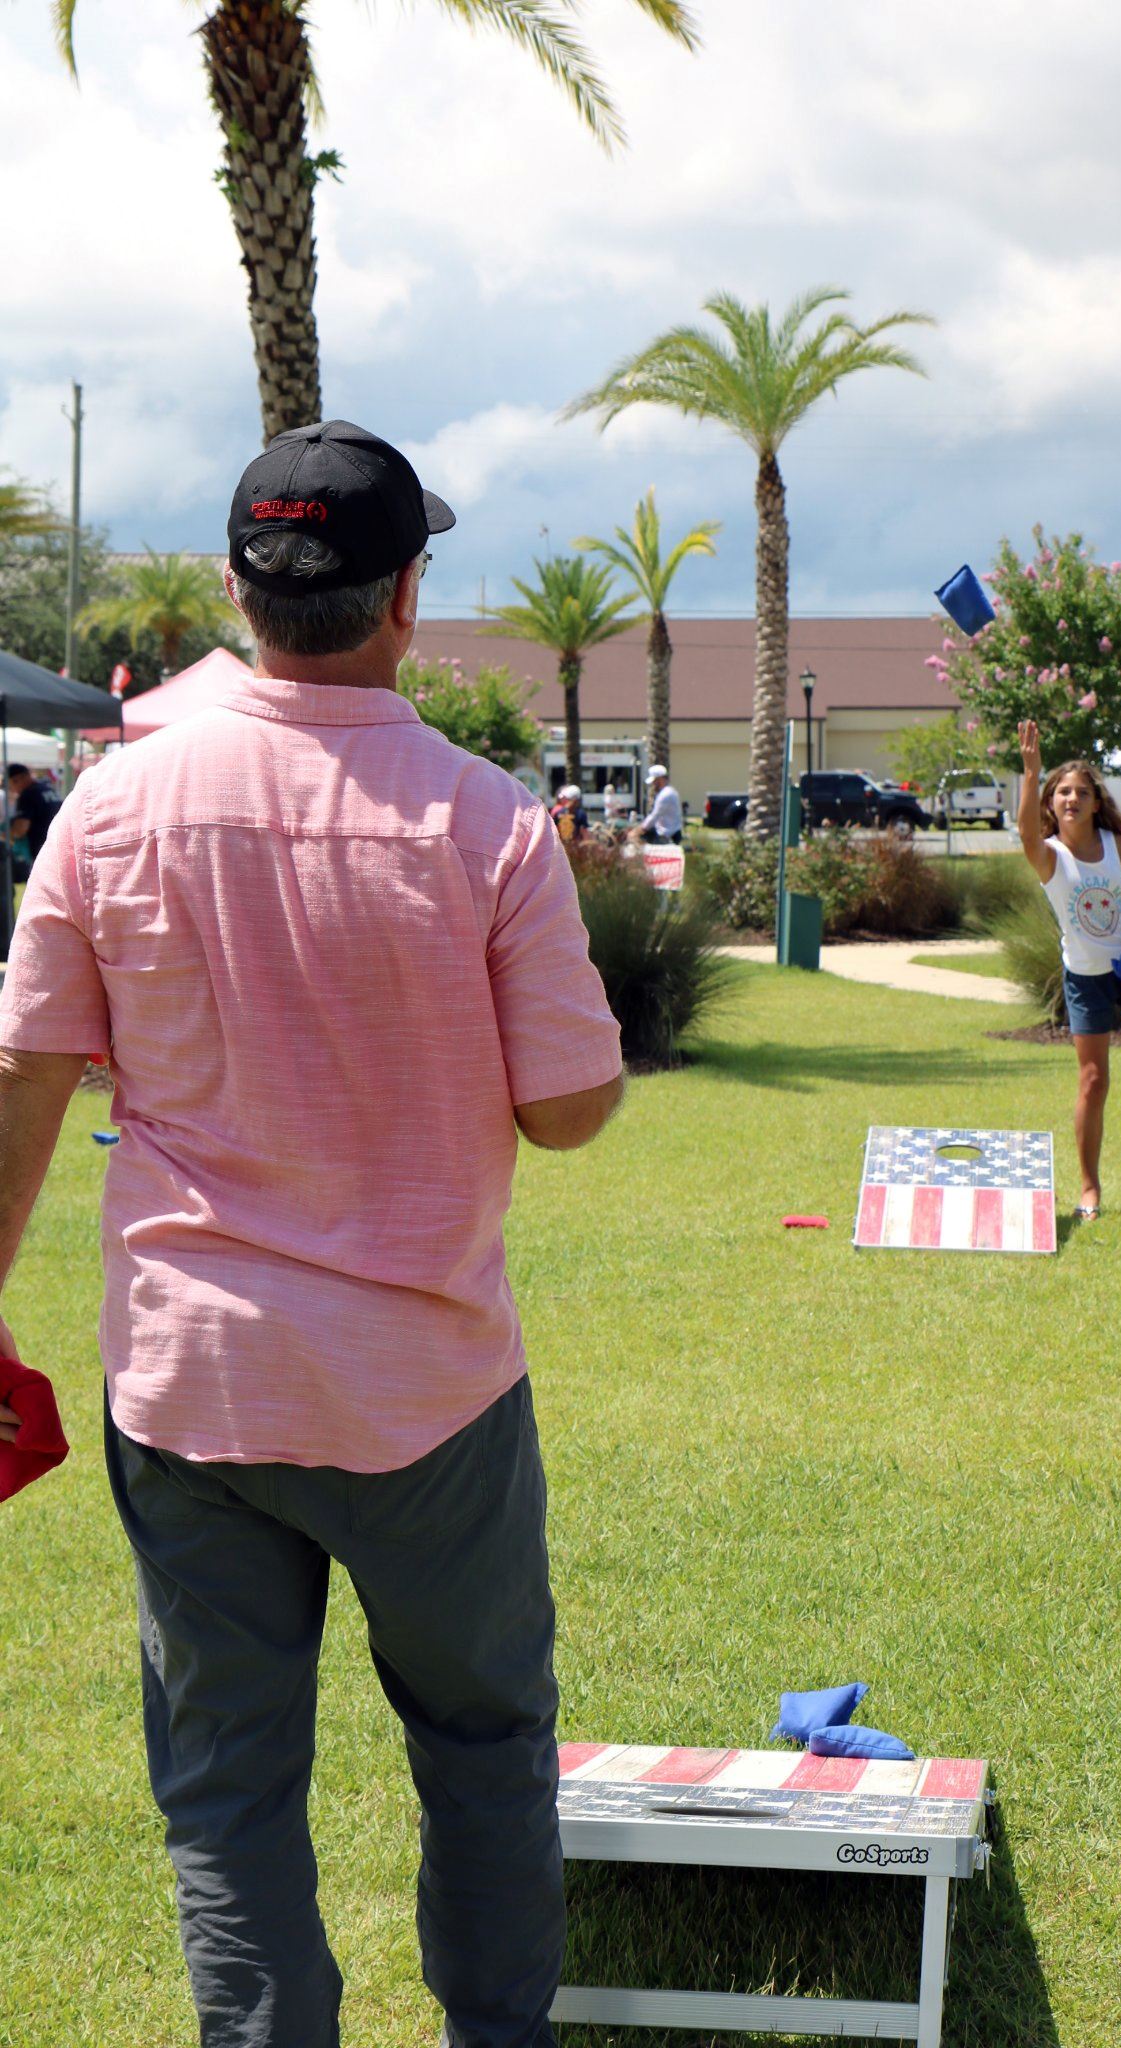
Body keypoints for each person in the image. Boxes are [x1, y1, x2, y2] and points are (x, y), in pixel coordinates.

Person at [0, 419, 624, 2048]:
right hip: (429, 1389)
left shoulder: (108, 813)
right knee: (483, 1744)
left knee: (226, 1783)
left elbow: (25, 1073)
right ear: (406, 596)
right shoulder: (489, 824)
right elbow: (570, 1109)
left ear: (236, 590)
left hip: (195, 1384)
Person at [1017, 718, 1121, 1222]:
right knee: (1093, 1080)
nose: (1072, 799)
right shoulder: (1049, 856)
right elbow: (1025, 833)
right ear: (1051, 804)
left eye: (1081, 792)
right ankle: (1089, 1188)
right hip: (1085, 978)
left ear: (1094, 803)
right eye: (1062, 792)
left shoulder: (1120, 848)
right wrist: (1031, 774)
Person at [7, 762, 60, 878]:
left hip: (42, 851)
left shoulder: (28, 794)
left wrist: (6, 834)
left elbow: (20, 829)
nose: (12, 789)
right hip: (58, 846)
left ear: (18, 779)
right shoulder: (47, 788)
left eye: (11, 784)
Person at [635, 762, 683, 844]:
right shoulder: (668, 792)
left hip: (669, 835)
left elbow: (655, 815)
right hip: (670, 832)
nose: (653, 784)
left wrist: (640, 830)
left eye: (654, 781)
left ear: (660, 779)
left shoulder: (665, 795)